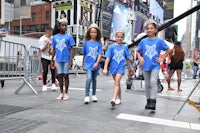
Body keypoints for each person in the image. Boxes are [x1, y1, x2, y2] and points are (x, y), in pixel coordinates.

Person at [136, 20, 171, 111]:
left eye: (151, 28)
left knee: (153, 82)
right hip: (145, 64)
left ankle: (153, 101)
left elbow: (168, 49)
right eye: (148, 28)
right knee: (147, 83)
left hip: (155, 65)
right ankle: (148, 101)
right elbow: (137, 50)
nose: (149, 30)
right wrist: (140, 58)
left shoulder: (159, 41)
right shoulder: (143, 41)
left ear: (156, 30)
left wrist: (162, 58)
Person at [103, 29, 135, 107]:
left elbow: (127, 59)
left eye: (121, 37)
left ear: (123, 38)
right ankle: (119, 98)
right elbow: (108, 58)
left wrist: (131, 67)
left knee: (117, 82)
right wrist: (105, 68)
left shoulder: (125, 47)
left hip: (121, 67)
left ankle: (113, 98)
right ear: (115, 37)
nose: (119, 38)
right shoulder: (111, 47)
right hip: (113, 67)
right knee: (117, 83)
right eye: (118, 37)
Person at [51, 18, 75, 100]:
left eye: (66, 26)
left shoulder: (69, 36)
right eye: (63, 25)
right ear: (59, 26)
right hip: (58, 59)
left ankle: (66, 93)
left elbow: (71, 48)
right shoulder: (54, 37)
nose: (64, 27)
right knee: (60, 76)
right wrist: (51, 60)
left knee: (66, 75)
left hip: (66, 59)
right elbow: (54, 49)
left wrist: (71, 60)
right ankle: (61, 92)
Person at [82, 23, 103, 104]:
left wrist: (97, 63)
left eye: (95, 32)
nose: (93, 34)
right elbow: (84, 54)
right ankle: (87, 96)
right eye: (92, 32)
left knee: (94, 80)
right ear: (89, 33)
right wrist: (83, 64)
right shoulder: (86, 43)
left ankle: (94, 95)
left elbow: (100, 54)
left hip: (95, 64)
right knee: (88, 79)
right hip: (88, 64)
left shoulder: (99, 43)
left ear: (97, 33)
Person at [39, 27, 56, 92]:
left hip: (51, 57)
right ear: (48, 32)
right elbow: (42, 49)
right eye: (51, 32)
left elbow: (54, 47)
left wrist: (52, 51)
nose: (52, 33)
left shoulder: (53, 38)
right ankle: (44, 85)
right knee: (45, 70)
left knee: (53, 70)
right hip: (44, 57)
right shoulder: (41, 39)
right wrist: (47, 44)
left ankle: (53, 84)